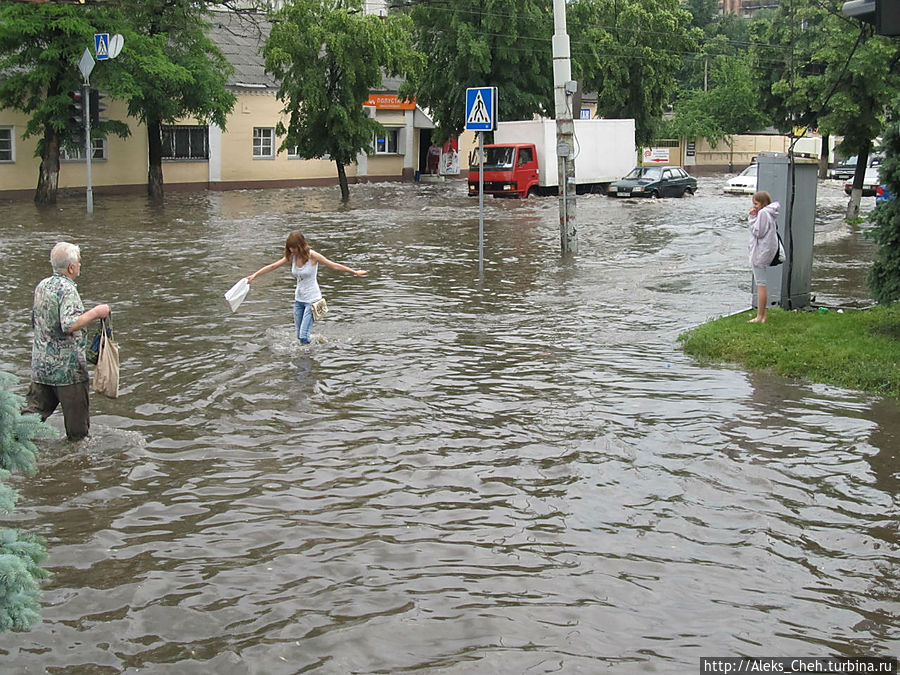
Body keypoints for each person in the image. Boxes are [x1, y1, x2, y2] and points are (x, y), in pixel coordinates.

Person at [24, 242, 111, 440]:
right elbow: (69, 324)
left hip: (41, 366)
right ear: (71, 267)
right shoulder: (67, 289)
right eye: (79, 262)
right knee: (78, 433)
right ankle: (77, 465)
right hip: (67, 372)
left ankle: (10, 452)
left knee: (28, 420)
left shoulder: (42, 286)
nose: (80, 265)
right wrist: (97, 312)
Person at [245, 232, 367, 344]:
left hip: (313, 300)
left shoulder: (312, 256)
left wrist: (355, 272)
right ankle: (317, 344)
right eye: (290, 249)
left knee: (303, 337)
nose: (292, 251)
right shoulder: (292, 256)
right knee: (299, 337)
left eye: (294, 248)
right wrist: (254, 275)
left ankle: (309, 360)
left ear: (301, 245)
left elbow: (333, 265)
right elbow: (273, 266)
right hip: (299, 300)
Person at [748, 190, 780, 323]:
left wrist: (751, 218)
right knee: (761, 283)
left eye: (756, 203)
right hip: (766, 251)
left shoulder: (762, 213)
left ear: (762, 203)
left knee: (760, 284)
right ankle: (761, 315)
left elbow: (758, 232)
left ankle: (760, 316)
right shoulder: (770, 213)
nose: (754, 206)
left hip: (760, 252)